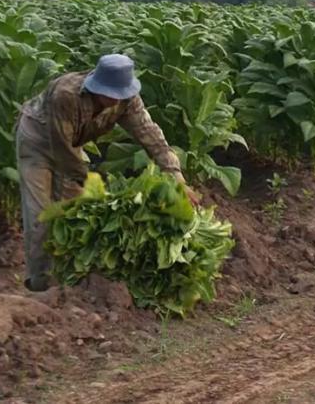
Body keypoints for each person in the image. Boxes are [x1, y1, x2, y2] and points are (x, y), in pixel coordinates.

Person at [16, 54, 198, 292]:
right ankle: (40, 284)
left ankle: (67, 280)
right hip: (38, 142)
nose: (115, 100)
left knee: (75, 212)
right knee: (41, 214)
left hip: (71, 144)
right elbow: (62, 148)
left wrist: (178, 179)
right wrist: (92, 183)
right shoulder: (66, 94)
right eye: (110, 94)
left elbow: (150, 135)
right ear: (95, 86)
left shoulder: (127, 99)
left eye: (120, 95)